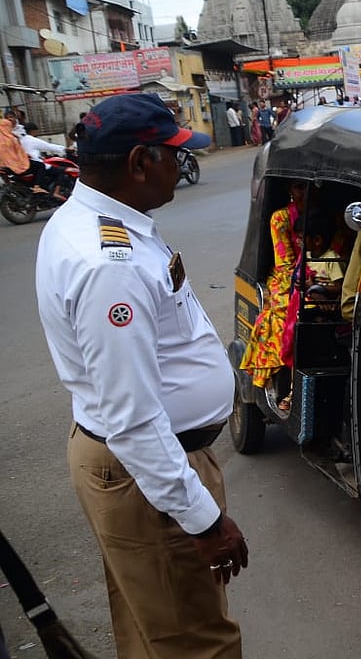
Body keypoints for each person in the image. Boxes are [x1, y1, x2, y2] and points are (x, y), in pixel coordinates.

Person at [34, 93, 248, 657]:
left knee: (151, 629)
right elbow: (132, 418)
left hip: (141, 465)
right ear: (138, 163)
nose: (182, 164)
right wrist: (203, 520)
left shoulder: (98, 222)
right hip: (149, 472)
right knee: (195, 642)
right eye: (173, 154)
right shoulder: (112, 265)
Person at [240, 180, 307, 412]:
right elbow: (285, 263)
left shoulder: (329, 216)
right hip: (289, 279)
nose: (305, 193)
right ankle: (289, 387)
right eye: (299, 187)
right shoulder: (281, 219)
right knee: (287, 318)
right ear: (290, 190)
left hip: (321, 274)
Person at [20, 122, 71, 200]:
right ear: (33, 131)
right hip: (34, 164)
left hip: (25, 165)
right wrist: (65, 149)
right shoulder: (32, 140)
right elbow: (48, 146)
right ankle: (56, 192)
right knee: (61, 171)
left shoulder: (21, 140)